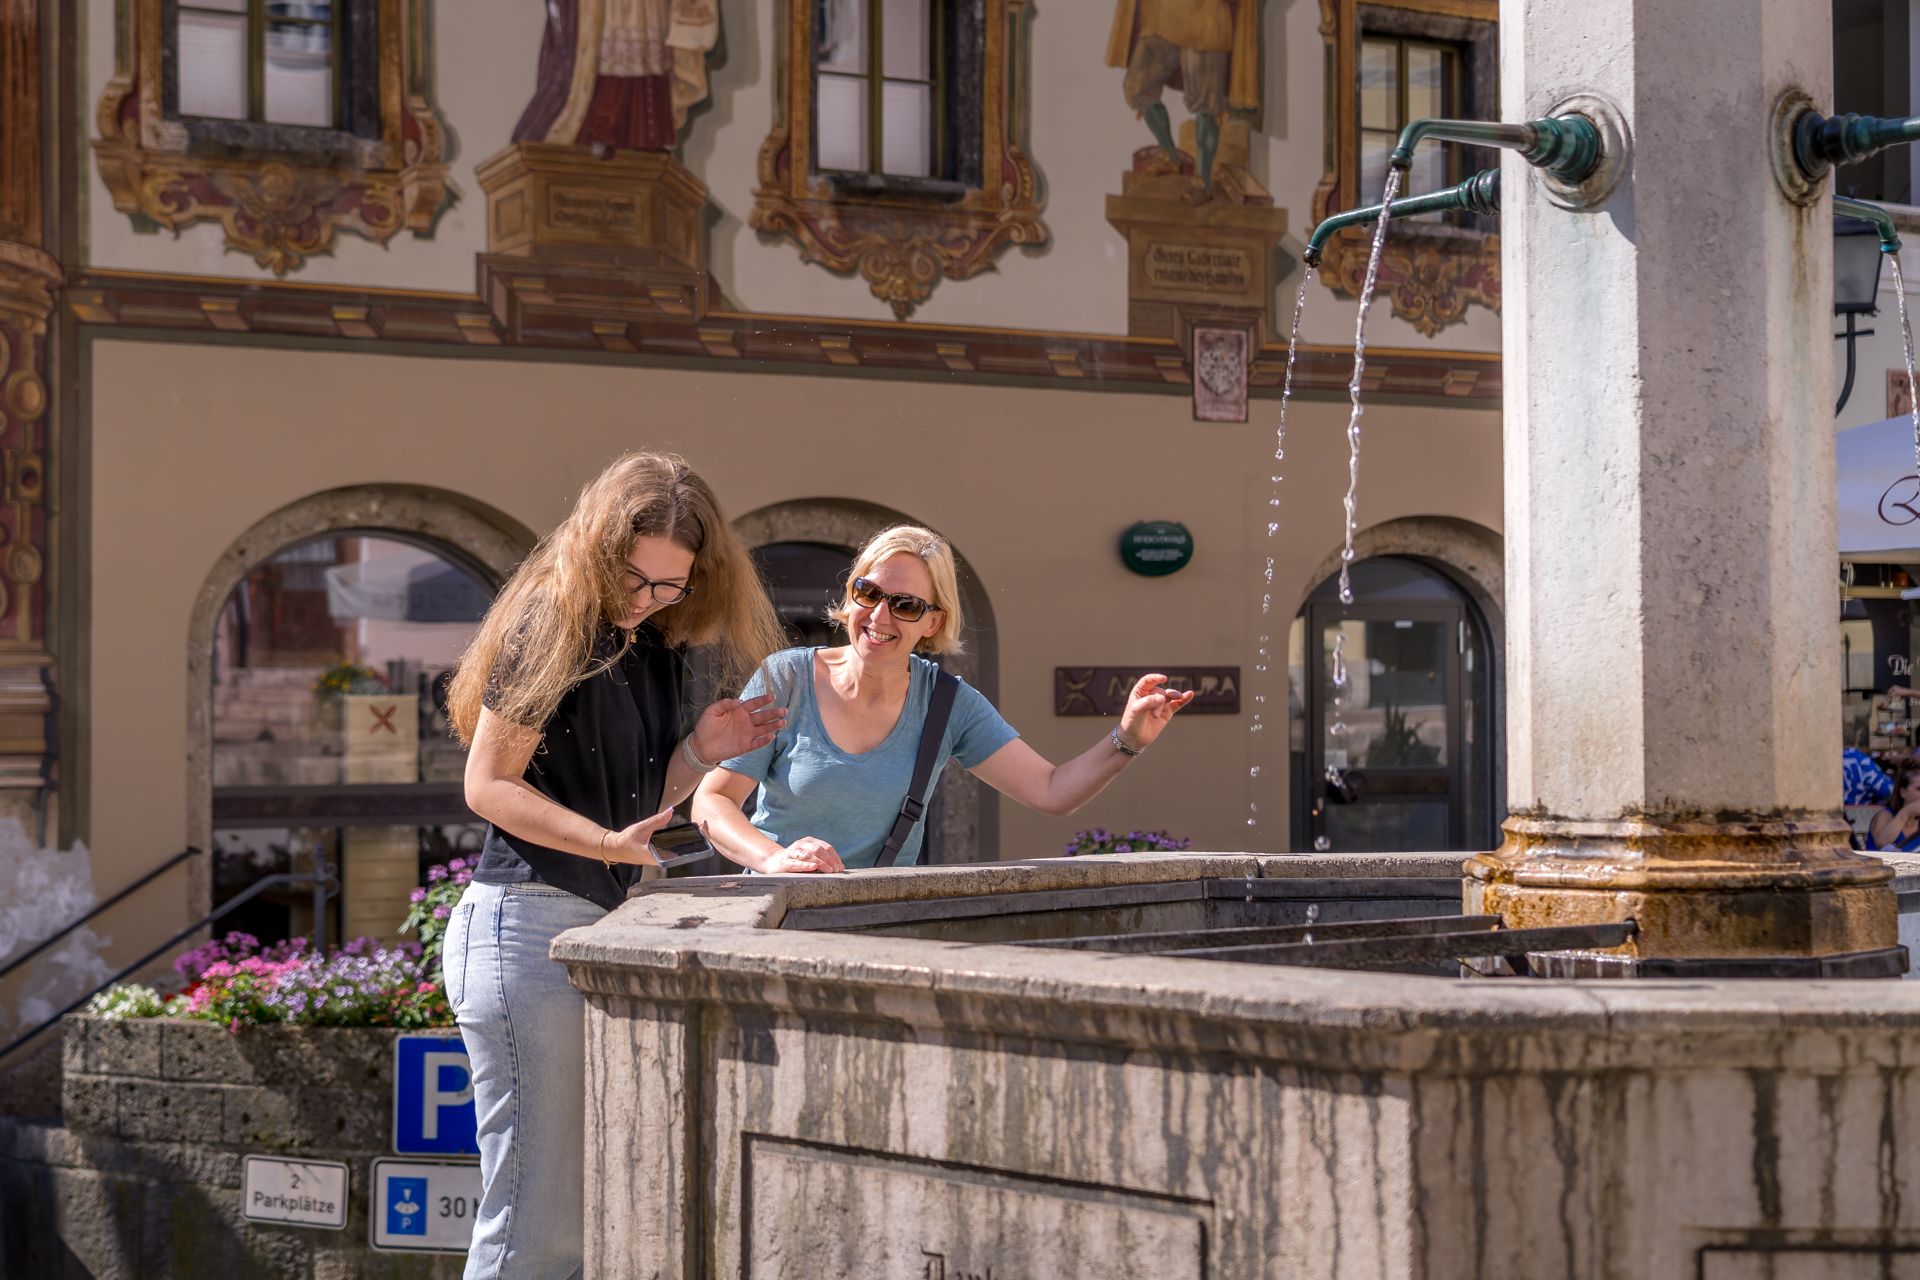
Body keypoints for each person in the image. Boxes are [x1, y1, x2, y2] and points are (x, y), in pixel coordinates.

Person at [440, 453, 786, 1278]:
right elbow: (486, 785)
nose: (649, 599)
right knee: (537, 1223)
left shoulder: (650, 642)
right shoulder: (550, 621)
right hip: (526, 929)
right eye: (635, 578)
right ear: (597, 545)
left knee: (592, 1219)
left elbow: (637, 807)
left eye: (672, 587)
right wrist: (602, 845)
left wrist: (702, 750)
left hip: (597, 931)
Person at [693, 525, 1194, 872]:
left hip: (877, 931)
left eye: (906, 605)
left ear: (933, 621)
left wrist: (1127, 739)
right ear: (851, 596)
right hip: (773, 922)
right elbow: (712, 801)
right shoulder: (786, 679)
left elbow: (1051, 789)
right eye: (869, 593)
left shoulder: (946, 703)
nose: (880, 617)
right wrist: (773, 859)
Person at [1867, 756, 1920, 853]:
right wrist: (1906, 813)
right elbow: (1882, 843)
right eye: (1918, 789)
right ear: (1903, 792)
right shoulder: (1885, 815)